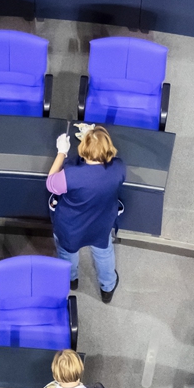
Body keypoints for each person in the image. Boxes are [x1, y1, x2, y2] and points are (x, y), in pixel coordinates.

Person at [46, 124, 125, 303]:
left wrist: (62, 152)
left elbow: (51, 183)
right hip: (101, 223)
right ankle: (107, 287)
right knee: (104, 253)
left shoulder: (71, 175)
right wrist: (95, 138)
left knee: (67, 253)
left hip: (71, 226)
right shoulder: (119, 168)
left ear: (82, 150)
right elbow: (109, 158)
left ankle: (71, 280)